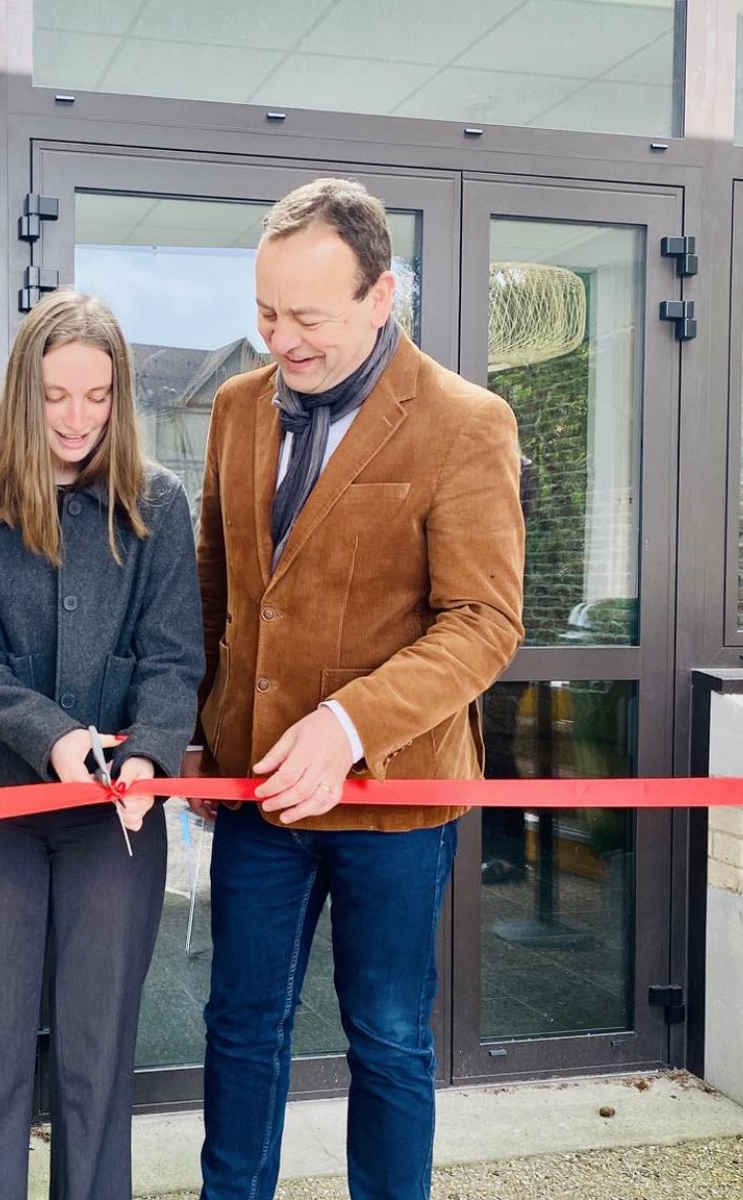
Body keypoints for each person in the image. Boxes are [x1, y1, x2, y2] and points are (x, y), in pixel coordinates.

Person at [192, 178, 525, 1200]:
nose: (280, 340)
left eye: (307, 317)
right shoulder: (236, 409)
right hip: (256, 790)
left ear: (381, 297)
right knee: (240, 1025)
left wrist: (347, 725)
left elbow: (483, 622)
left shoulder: (466, 422)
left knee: (386, 1036)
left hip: (396, 797)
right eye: (265, 313)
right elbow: (217, 585)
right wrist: (199, 731)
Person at [0, 289, 204, 1200]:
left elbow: (173, 657)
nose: (76, 418)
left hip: (115, 817)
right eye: (54, 396)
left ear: (119, 398)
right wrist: (51, 738)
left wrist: (151, 753)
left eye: (97, 396)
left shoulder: (157, 503)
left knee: (96, 1051)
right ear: (22, 392)